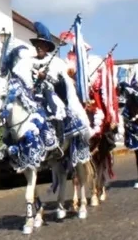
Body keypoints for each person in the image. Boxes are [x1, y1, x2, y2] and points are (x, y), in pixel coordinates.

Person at [22, 22, 91, 161]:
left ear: (47, 47)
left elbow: (62, 84)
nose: (39, 47)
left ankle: (57, 145)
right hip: (32, 98)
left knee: (56, 112)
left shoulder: (56, 63)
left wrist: (46, 77)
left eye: (42, 45)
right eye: (37, 44)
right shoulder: (27, 62)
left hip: (51, 97)